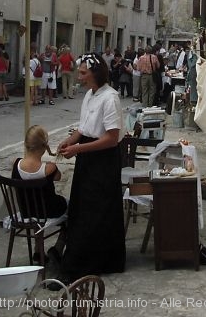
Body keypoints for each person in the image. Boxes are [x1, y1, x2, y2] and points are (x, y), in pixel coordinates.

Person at [56, 53, 125, 285]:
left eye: (83, 73)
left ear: (95, 73)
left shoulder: (111, 98)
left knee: (98, 211)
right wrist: (71, 141)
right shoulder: (89, 95)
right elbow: (84, 127)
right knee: (82, 208)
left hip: (103, 161)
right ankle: (84, 257)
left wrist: (78, 149)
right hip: (87, 157)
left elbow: (111, 139)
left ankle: (95, 261)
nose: (80, 76)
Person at [12, 125, 68, 262]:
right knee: (74, 209)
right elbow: (59, 177)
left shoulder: (16, 164)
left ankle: (38, 250)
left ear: (26, 144)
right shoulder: (49, 168)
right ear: (44, 146)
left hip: (26, 211)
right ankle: (59, 247)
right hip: (49, 210)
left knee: (37, 209)